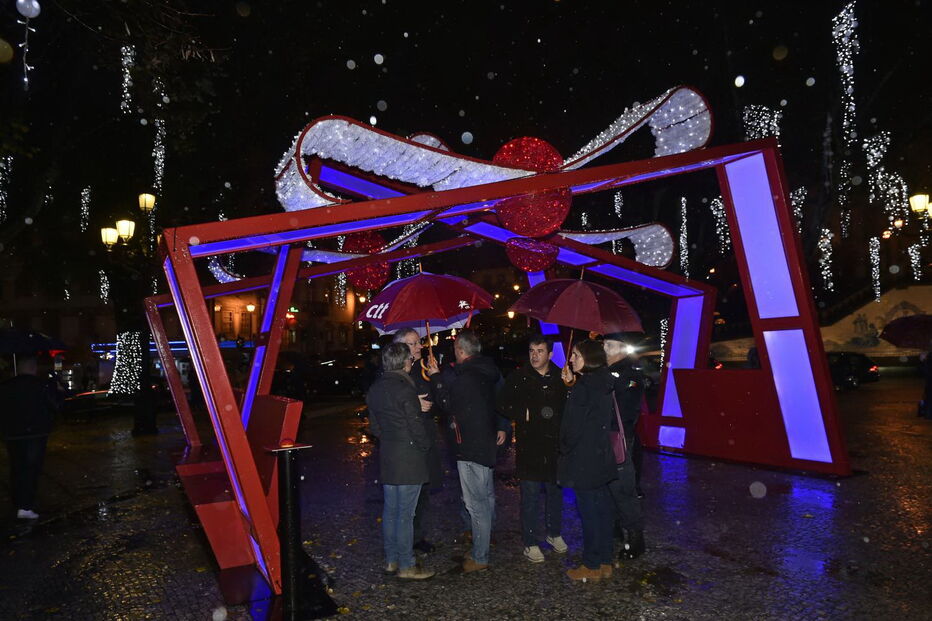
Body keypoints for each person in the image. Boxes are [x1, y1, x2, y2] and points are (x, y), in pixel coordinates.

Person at [429, 330, 506, 573]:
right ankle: (482, 544)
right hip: (484, 444)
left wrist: (436, 377)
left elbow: (447, 404)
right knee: (486, 497)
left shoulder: (467, 377)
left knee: (476, 504)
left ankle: (480, 556)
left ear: (461, 351)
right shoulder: (486, 371)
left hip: (470, 447)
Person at [365, 343, 434, 580]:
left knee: (391, 511)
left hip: (389, 456)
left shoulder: (374, 390)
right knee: (406, 514)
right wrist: (424, 445)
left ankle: (391, 560)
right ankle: (407, 565)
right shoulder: (405, 389)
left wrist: (392, 440)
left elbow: (375, 428)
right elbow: (416, 426)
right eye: (411, 361)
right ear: (406, 362)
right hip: (409, 458)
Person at [497, 335, 568, 563]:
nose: (535, 355)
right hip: (530, 446)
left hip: (554, 446)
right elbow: (502, 403)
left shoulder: (562, 377)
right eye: (531, 350)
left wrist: (572, 386)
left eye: (539, 351)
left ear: (549, 354)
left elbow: (572, 408)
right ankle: (530, 542)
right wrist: (520, 412)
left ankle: (554, 532)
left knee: (555, 493)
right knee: (530, 496)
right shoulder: (519, 377)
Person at [558, 339, 617, 582]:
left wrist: (562, 447)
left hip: (584, 460)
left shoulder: (583, 388)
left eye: (576, 355)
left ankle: (591, 565)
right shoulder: (604, 382)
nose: (571, 359)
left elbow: (571, 428)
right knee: (602, 510)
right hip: (601, 456)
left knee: (590, 513)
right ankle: (604, 560)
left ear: (589, 358)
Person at [393, 327, 443, 554]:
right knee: (406, 497)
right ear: (401, 348)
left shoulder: (423, 368)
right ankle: (403, 542)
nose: (419, 346)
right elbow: (390, 402)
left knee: (423, 490)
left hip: (425, 438)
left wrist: (437, 377)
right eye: (413, 344)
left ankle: (417, 536)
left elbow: (439, 401)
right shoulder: (395, 373)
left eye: (419, 342)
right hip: (407, 443)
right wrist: (415, 403)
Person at [0, 354, 60, 520]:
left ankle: (20, 502)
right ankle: (26, 504)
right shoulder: (41, 385)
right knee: (31, 468)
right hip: (35, 432)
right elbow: (54, 406)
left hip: (13, 434)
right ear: (33, 367)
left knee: (17, 467)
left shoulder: (6, 386)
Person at [603, 333, 647, 560]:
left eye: (609, 345)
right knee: (608, 487)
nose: (604, 348)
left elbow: (626, 410)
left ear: (621, 348)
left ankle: (636, 539)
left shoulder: (630, 374)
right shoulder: (606, 372)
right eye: (604, 344)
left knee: (624, 490)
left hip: (620, 439)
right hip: (605, 438)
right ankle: (615, 529)